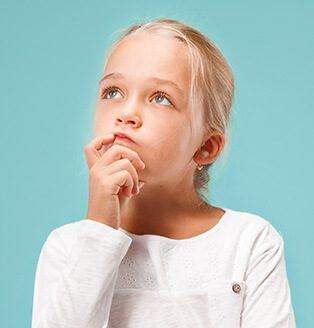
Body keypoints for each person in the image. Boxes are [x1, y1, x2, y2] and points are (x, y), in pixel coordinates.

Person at [31, 18, 296, 327]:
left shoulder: (250, 242)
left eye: (160, 98)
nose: (126, 113)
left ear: (205, 147)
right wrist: (100, 231)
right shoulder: (68, 247)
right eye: (112, 92)